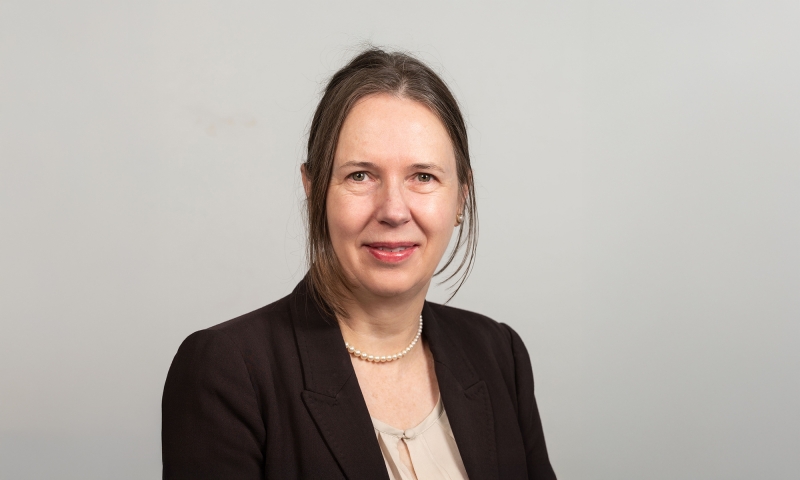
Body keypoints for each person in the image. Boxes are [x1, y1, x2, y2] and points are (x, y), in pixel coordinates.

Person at [162, 47, 557, 480]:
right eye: (360, 176)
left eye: (423, 176)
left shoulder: (499, 355)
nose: (393, 210)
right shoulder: (226, 372)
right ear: (314, 190)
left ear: (461, 196)